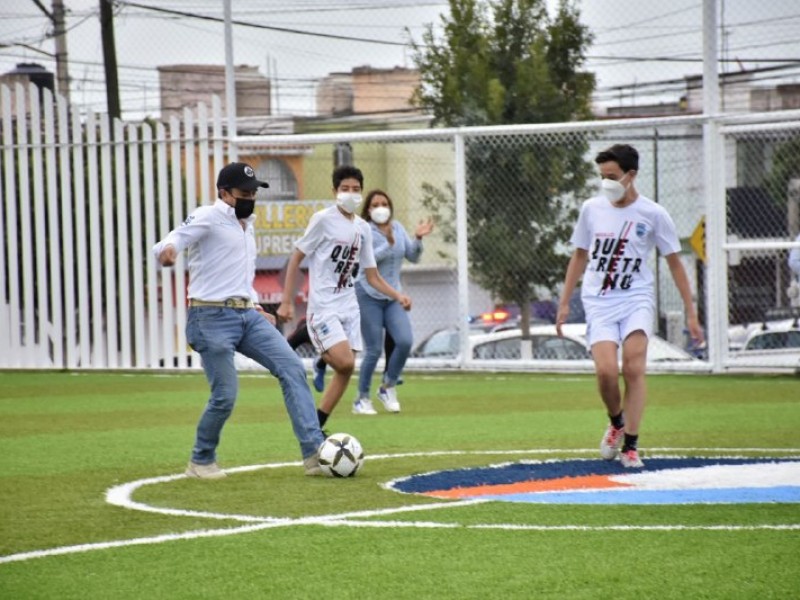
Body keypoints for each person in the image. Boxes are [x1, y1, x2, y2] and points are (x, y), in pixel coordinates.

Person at [153, 162, 326, 479]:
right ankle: (201, 460)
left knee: (291, 368)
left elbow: (241, 273)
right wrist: (168, 252)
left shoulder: (248, 223)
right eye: (244, 193)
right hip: (209, 317)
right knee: (225, 396)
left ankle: (314, 453)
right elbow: (172, 240)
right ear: (224, 193)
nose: (250, 198)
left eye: (254, 192)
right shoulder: (208, 216)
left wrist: (255, 303)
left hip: (247, 314)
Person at [556, 144, 704, 469]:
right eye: (602, 177)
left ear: (630, 175)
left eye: (611, 176)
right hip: (599, 301)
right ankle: (616, 422)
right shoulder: (591, 209)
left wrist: (691, 311)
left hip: (636, 298)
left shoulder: (653, 214)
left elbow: (675, 264)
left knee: (634, 368)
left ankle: (632, 447)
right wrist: (564, 302)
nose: (606, 182)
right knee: (606, 372)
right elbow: (579, 254)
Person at [277, 166, 412, 430]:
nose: (350, 194)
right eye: (345, 189)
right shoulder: (322, 219)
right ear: (334, 191)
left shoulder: (362, 228)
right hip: (324, 306)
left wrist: (398, 295)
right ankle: (307, 334)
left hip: (350, 306)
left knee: (345, 369)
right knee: (346, 361)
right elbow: (296, 258)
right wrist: (286, 300)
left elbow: (372, 275)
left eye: (355, 189)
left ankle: (316, 427)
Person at [352, 189, 434, 414]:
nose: (380, 208)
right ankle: (362, 398)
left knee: (405, 341)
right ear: (368, 209)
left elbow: (412, 256)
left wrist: (417, 238)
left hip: (392, 296)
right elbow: (367, 261)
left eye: (384, 204)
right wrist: (388, 244)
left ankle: (388, 385)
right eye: (375, 204)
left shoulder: (397, 227)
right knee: (374, 350)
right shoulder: (364, 230)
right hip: (368, 294)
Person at [285, 317, 328, 392]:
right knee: (287, 347)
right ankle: (291, 371)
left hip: (328, 326)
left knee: (338, 350)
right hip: (309, 324)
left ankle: (320, 364)